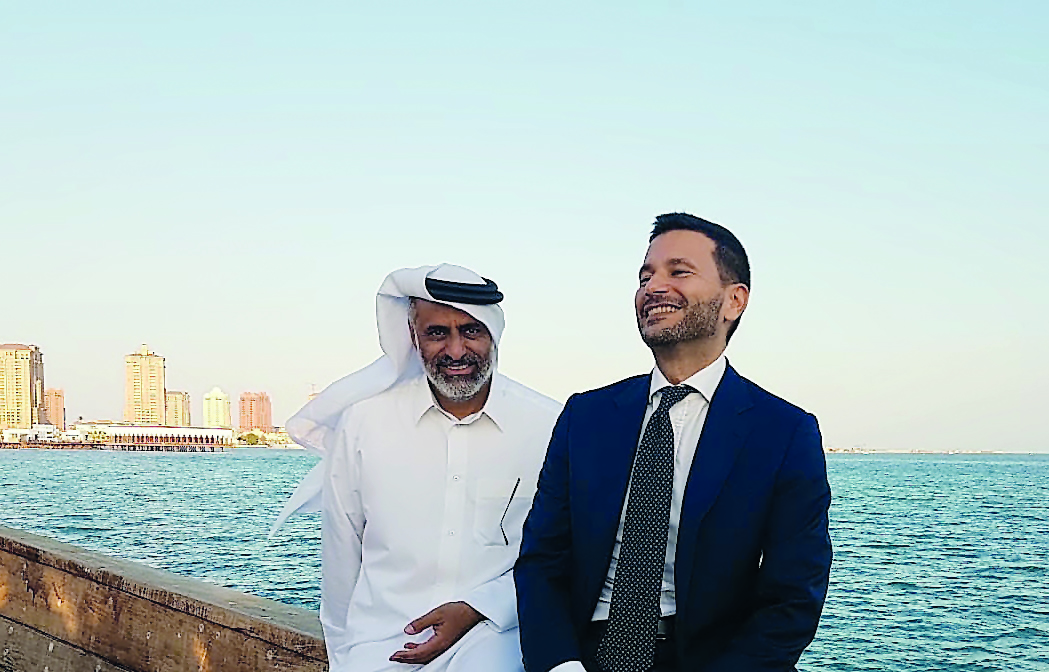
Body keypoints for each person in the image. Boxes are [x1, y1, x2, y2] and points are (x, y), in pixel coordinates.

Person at [515, 213, 832, 672]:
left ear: (734, 301)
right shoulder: (586, 416)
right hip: (583, 656)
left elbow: (793, 595)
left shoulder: (783, 432)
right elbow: (542, 560)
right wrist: (561, 666)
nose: (653, 287)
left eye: (678, 271)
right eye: (645, 276)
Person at [274, 264, 561, 672]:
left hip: (494, 642)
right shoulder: (365, 423)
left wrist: (481, 607)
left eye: (471, 331)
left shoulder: (548, 425)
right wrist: (344, 659)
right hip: (379, 648)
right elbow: (341, 557)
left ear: (493, 333)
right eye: (437, 333)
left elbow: (559, 554)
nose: (457, 351)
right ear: (413, 337)